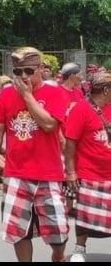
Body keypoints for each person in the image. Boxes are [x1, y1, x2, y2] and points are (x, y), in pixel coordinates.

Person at [0, 47, 70, 262]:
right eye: (18, 71)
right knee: (18, 230)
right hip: (16, 172)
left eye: (29, 71)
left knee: (58, 230)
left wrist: (27, 96)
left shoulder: (56, 93)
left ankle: (58, 257)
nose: (23, 76)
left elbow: (49, 124)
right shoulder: (5, 95)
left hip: (48, 173)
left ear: (42, 69)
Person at [63, 71, 111, 262]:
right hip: (89, 172)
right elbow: (70, 143)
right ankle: (79, 249)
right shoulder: (81, 109)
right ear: (106, 90)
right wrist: (71, 172)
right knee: (84, 215)